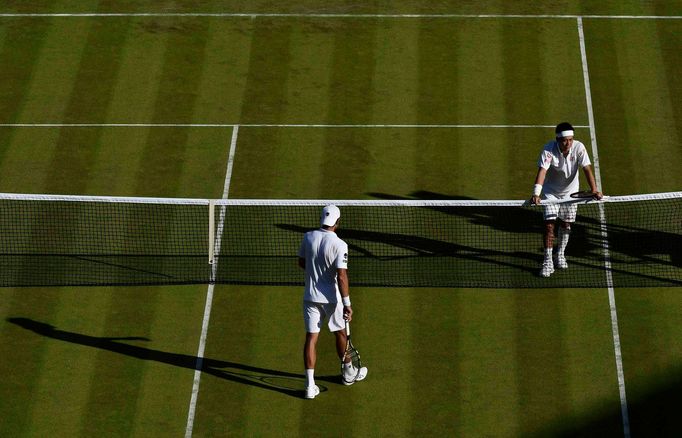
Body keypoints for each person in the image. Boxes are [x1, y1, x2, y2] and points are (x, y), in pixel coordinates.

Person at [298, 205, 368, 399]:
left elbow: (302, 262)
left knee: (311, 338)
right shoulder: (340, 244)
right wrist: (347, 304)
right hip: (332, 299)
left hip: (310, 297)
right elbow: (342, 276)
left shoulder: (308, 237)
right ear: (337, 223)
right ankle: (348, 373)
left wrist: (316, 273)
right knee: (340, 333)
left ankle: (309, 386)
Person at [531, 122, 603, 277]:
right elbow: (542, 171)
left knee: (566, 224)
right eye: (565, 140)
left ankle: (560, 254)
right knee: (549, 226)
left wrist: (594, 190)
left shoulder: (579, 148)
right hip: (551, 194)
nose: (568, 143)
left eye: (570, 140)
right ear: (557, 140)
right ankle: (547, 261)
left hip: (571, 194)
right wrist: (537, 193)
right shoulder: (548, 149)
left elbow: (587, 169)